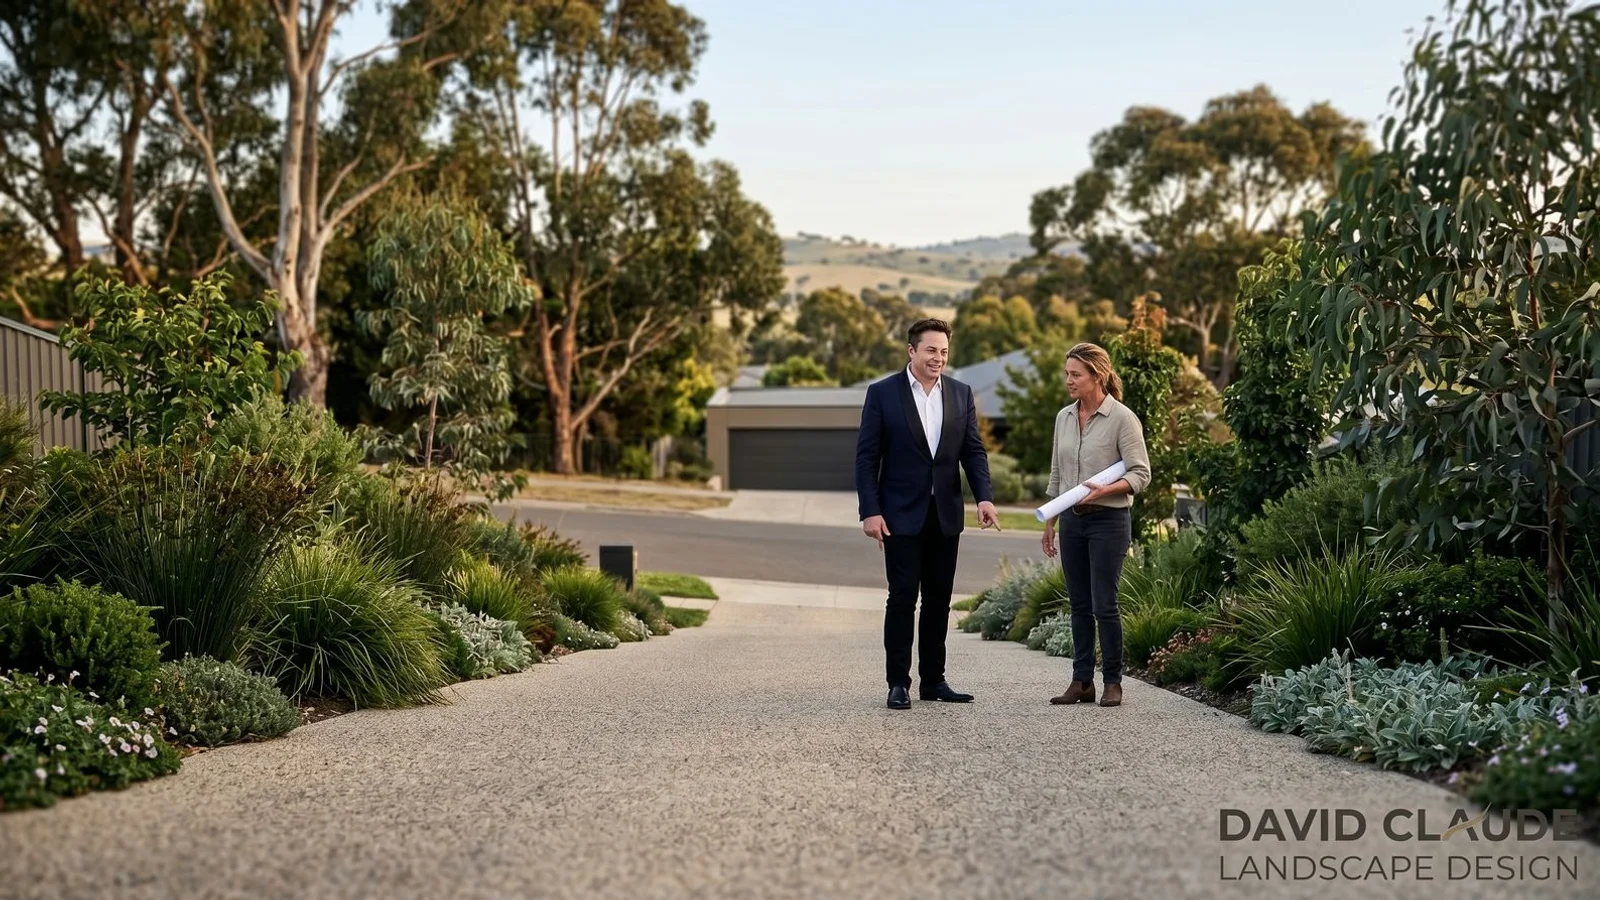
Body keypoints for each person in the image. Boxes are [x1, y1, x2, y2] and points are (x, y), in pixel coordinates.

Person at [855, 318, 1000, 710]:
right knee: (903, 598)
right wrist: (871, 511)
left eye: (944, 352)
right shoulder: (882, 394)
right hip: (899, 515)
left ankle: (933, 680)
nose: (939, 358)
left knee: (939, 599)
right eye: (931, 350)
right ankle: (898, 683)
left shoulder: (960, 393)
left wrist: (983, 497)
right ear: (912, 351)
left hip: (946, 514)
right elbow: (867, 458)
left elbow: (973, 451)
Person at [1040, 342, 1151, 708]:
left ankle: (1113, 682)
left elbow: (1140, 474)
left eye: (1076, 374)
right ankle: (1081, 681)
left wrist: (1105, 489)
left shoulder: (1122, 418)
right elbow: (1057, 475)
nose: (1068, 380)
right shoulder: (1063, 418)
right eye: (1067, 373)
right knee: (1079, 604)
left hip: (1109, 521)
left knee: (1105, 603)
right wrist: (1050, 522)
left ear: (1097, 376)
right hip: (1072, 522)